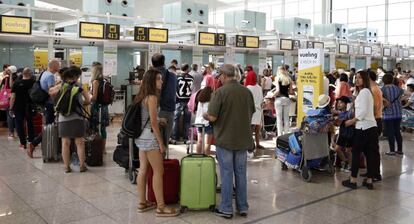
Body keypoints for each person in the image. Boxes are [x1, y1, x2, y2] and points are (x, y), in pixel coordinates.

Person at [203, 64, 255, 219]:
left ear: (225, 76)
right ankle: (242, 207)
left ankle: (226, 208)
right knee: (241, 173)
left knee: (226, 173)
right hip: (243, 139)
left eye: (220, 76)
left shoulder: (220, 93)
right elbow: (251, 112)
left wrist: (205, 115)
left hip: (225, 139)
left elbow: (212, 117)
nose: (219, 79)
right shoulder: (246, 92)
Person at [135, 69, 179, 217]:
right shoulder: (152, 97)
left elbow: (147, 118)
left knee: (143, 170)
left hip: (141, 137)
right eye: (158, 79)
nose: (161, 81)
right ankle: (161, 207)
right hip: (150, 138)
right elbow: (153, 123)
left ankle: (142, 202)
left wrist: (159, 120)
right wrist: (161, 143)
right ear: (151, 81)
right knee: (158, 172)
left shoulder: (142, 96)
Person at [342, 70, 378, 190]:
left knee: (356, 154)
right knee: (370, 155)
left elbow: (361, 113)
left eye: (360, 78)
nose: (357, 80)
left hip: (362, 128)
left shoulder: (364, 92)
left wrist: (349, 122)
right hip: (371, 127)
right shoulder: (367, 92)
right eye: (356, 78)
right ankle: (369, 181)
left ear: (365, 79)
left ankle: (353, 180)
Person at [53, 66, 91, 173]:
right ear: (76, 76)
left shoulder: (61, 85)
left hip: (63, 118)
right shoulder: (80, 86)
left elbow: (52, 94)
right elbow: (88, 100)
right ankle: (82, 165)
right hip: (77, 117)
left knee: (65, 142)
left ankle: (66, 167)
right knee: (79, 142)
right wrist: (79, 104)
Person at [29, 59, 61, 155]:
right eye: (58, 65)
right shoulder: (50, 75)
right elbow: (52, 92)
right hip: (50, 104)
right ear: (54, 66)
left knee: (49, 126)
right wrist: (57, 103)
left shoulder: (44, 73)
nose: (59, 67)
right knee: (49, 127)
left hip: (45, 104)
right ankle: (33, 144)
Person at [152, 53, 177, 150]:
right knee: (164, 143)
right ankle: (161, 163)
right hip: (167, 111)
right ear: (164, 62)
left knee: (152, 142)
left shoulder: (150, 76)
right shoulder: (173, 76)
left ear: (153, 64)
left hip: (152, 110)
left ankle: (153, 164)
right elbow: (174, 92)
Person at [9, 68, 35, 152]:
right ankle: (31, 141)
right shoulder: (33, 83)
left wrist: (10, 108)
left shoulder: (16, 83)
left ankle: (23, 143)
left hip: (18, 106)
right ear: (30, 74)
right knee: (30, 123)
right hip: (30, 106)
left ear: (22, 74)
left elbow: (13, 97)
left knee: (19, 124)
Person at [364, 70, 383, 181]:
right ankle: (370, 172)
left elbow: (374, 107)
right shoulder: (376, 88)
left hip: (374, 121)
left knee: (372, 150)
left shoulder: (374, 90)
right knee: (369, 149)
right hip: (376, 120)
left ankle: (375, 174)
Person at [89, 62, 110, 154]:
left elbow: (94, 97)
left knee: (96, 127)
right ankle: (103, 148)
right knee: (103, 128)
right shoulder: (105, 80)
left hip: (97, 107)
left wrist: (88, 96)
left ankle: (98, 147)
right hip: (104, 107)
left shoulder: (95, 82)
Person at [171, 64, 194, 144]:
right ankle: (186, 138)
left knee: (175, 119)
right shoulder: (191, 77)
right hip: (188, 100)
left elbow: (174, 89)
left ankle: (174, 138)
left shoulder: (177, 77)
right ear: (187, 69)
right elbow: (192, 89)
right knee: (187, 120)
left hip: (179, 100)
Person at [382, 73, 404, 156]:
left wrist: (385, 99)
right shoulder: (398, 89)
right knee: (397, 131)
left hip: (388, 114)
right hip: (398, 113)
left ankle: (392, 150)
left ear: (384, 80)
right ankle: (400, 150)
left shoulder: (383, 89)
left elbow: (379, 97)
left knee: (390, 132)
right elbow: (402, 93)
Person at [333, 96, 353, 172]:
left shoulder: (350, 113)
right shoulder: (340, 113)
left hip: (350, 133)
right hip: (342, 133)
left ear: (346, 104)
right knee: (337, 149)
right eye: (338, 103)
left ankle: (350, 166)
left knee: (348, 150)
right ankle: (346, 161)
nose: (339, 104)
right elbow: (337, 124)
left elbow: (339, 122)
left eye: (341, 103)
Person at [272, 66, 293, 136]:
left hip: (279, 99)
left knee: (279, 119)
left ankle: (280, 135)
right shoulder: (289, 79)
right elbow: (290, 92)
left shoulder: (277, 78)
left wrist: (272, 95)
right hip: (287, 99)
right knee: (286, 118)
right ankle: (286, 134)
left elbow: (277, 90)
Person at [194, 87, 214, 155]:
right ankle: (207, 158)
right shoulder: (209, 103)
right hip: (207, 123)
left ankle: (198, 156)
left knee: (199, 141)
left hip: (198, 122)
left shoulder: (200, 102)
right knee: (207, 143)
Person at [246, 80, 264, 152]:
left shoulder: (248, 87)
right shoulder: (259, 87)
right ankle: (257, 144)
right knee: (257, 129)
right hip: (259, 110)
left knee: (250, 129)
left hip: (251, 110)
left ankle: (250, 145)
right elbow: (262, 99)